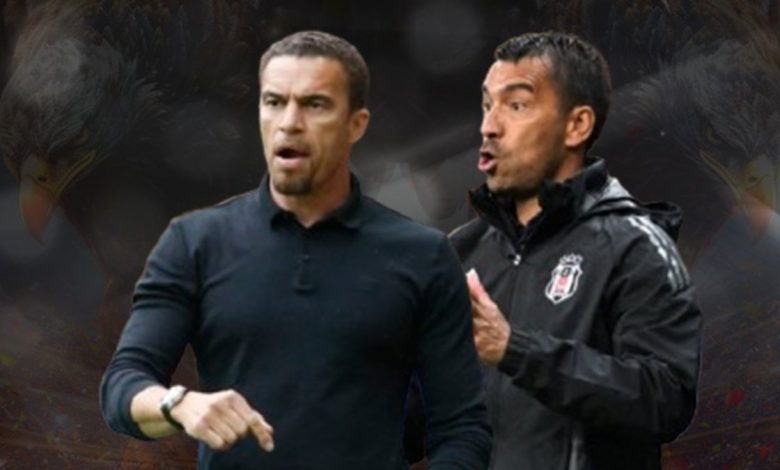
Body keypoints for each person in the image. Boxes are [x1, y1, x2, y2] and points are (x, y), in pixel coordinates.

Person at [100, 30, 491, 469]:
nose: (289, 122)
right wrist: (178, 404)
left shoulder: (424, 255)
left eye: (314, 104)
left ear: (356, 124)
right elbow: (123, 386)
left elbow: (462, 428)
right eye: (274, 102)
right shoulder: (194, 242)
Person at [449, 32, 701, 470]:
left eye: (516, 105)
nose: (489, 125)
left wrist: (514, 349)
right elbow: (424, 411)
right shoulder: (461, 251)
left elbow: (665, 399)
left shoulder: (635, 245)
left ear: (577, 125)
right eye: (488, 105)